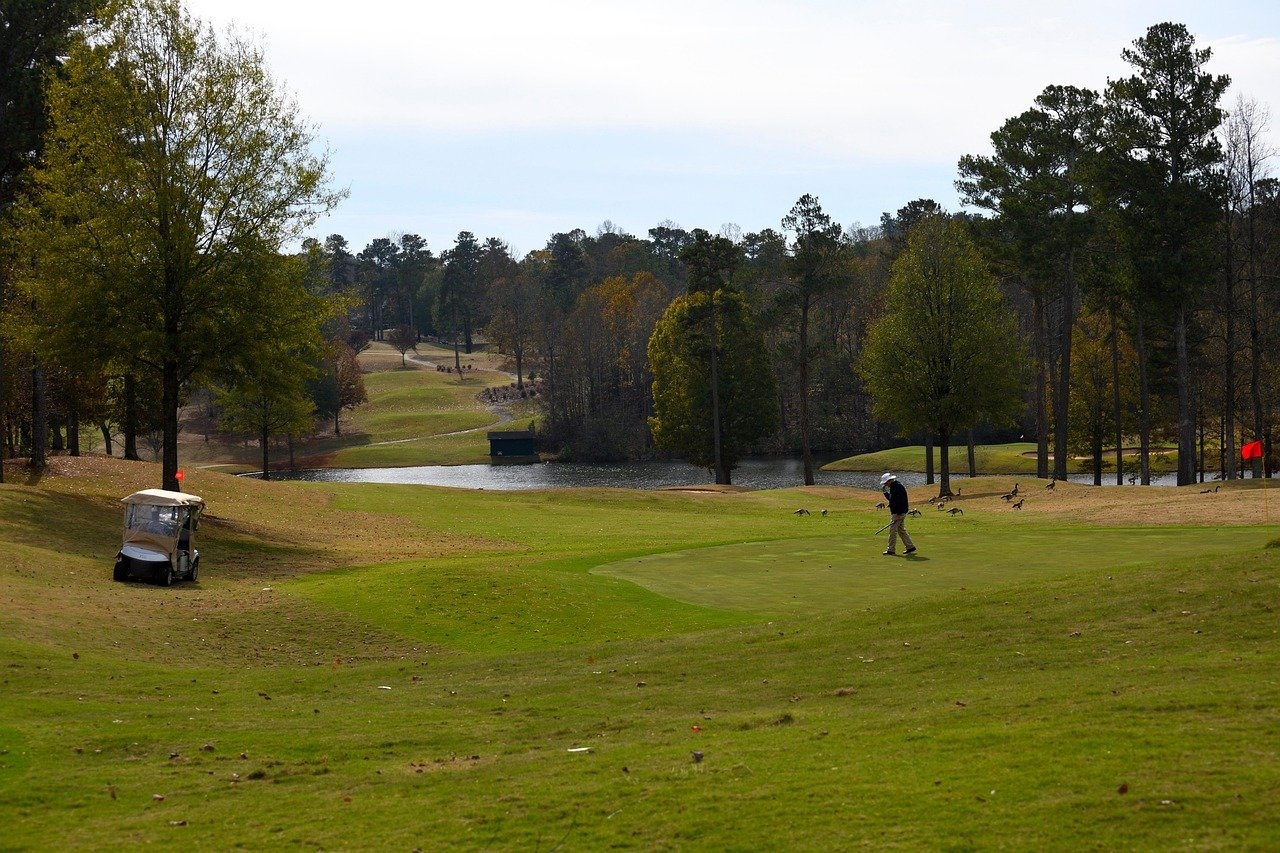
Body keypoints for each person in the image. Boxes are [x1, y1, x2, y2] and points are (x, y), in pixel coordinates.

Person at [880, 472, 916, 556]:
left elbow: (900, 502)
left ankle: (891, 549)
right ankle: (910, 547)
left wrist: (899, 514)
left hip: (898, 513)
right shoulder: (894, 487)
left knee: (892, 531)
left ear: (889, 481)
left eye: (885, 483)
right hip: (899, 512)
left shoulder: (897, 487)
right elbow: (891, 499)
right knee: (901, 530)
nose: (885, 484)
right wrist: (885, 492)